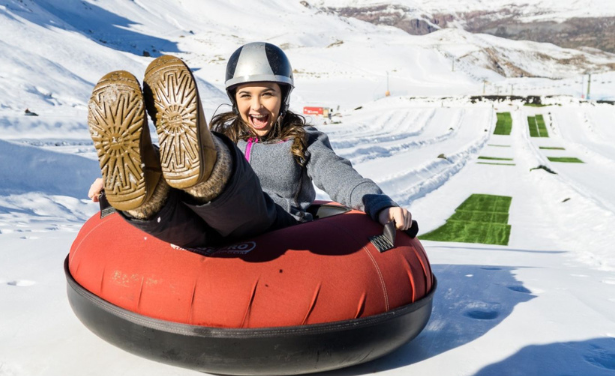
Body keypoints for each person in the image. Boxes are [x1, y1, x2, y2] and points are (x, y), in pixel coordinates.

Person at [87, 42, 411, 247]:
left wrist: (379, 203)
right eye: (246, 95)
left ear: (283, 97)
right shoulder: (227, 135)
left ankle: (209, 169)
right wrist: (124, 177)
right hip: (213, 227)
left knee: (224, 168)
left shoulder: (302, 140)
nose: (256, 106)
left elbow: (338, 175)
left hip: (277, 225)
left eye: (267, 93)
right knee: (178, 220)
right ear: (234, 99)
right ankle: (140, 184)